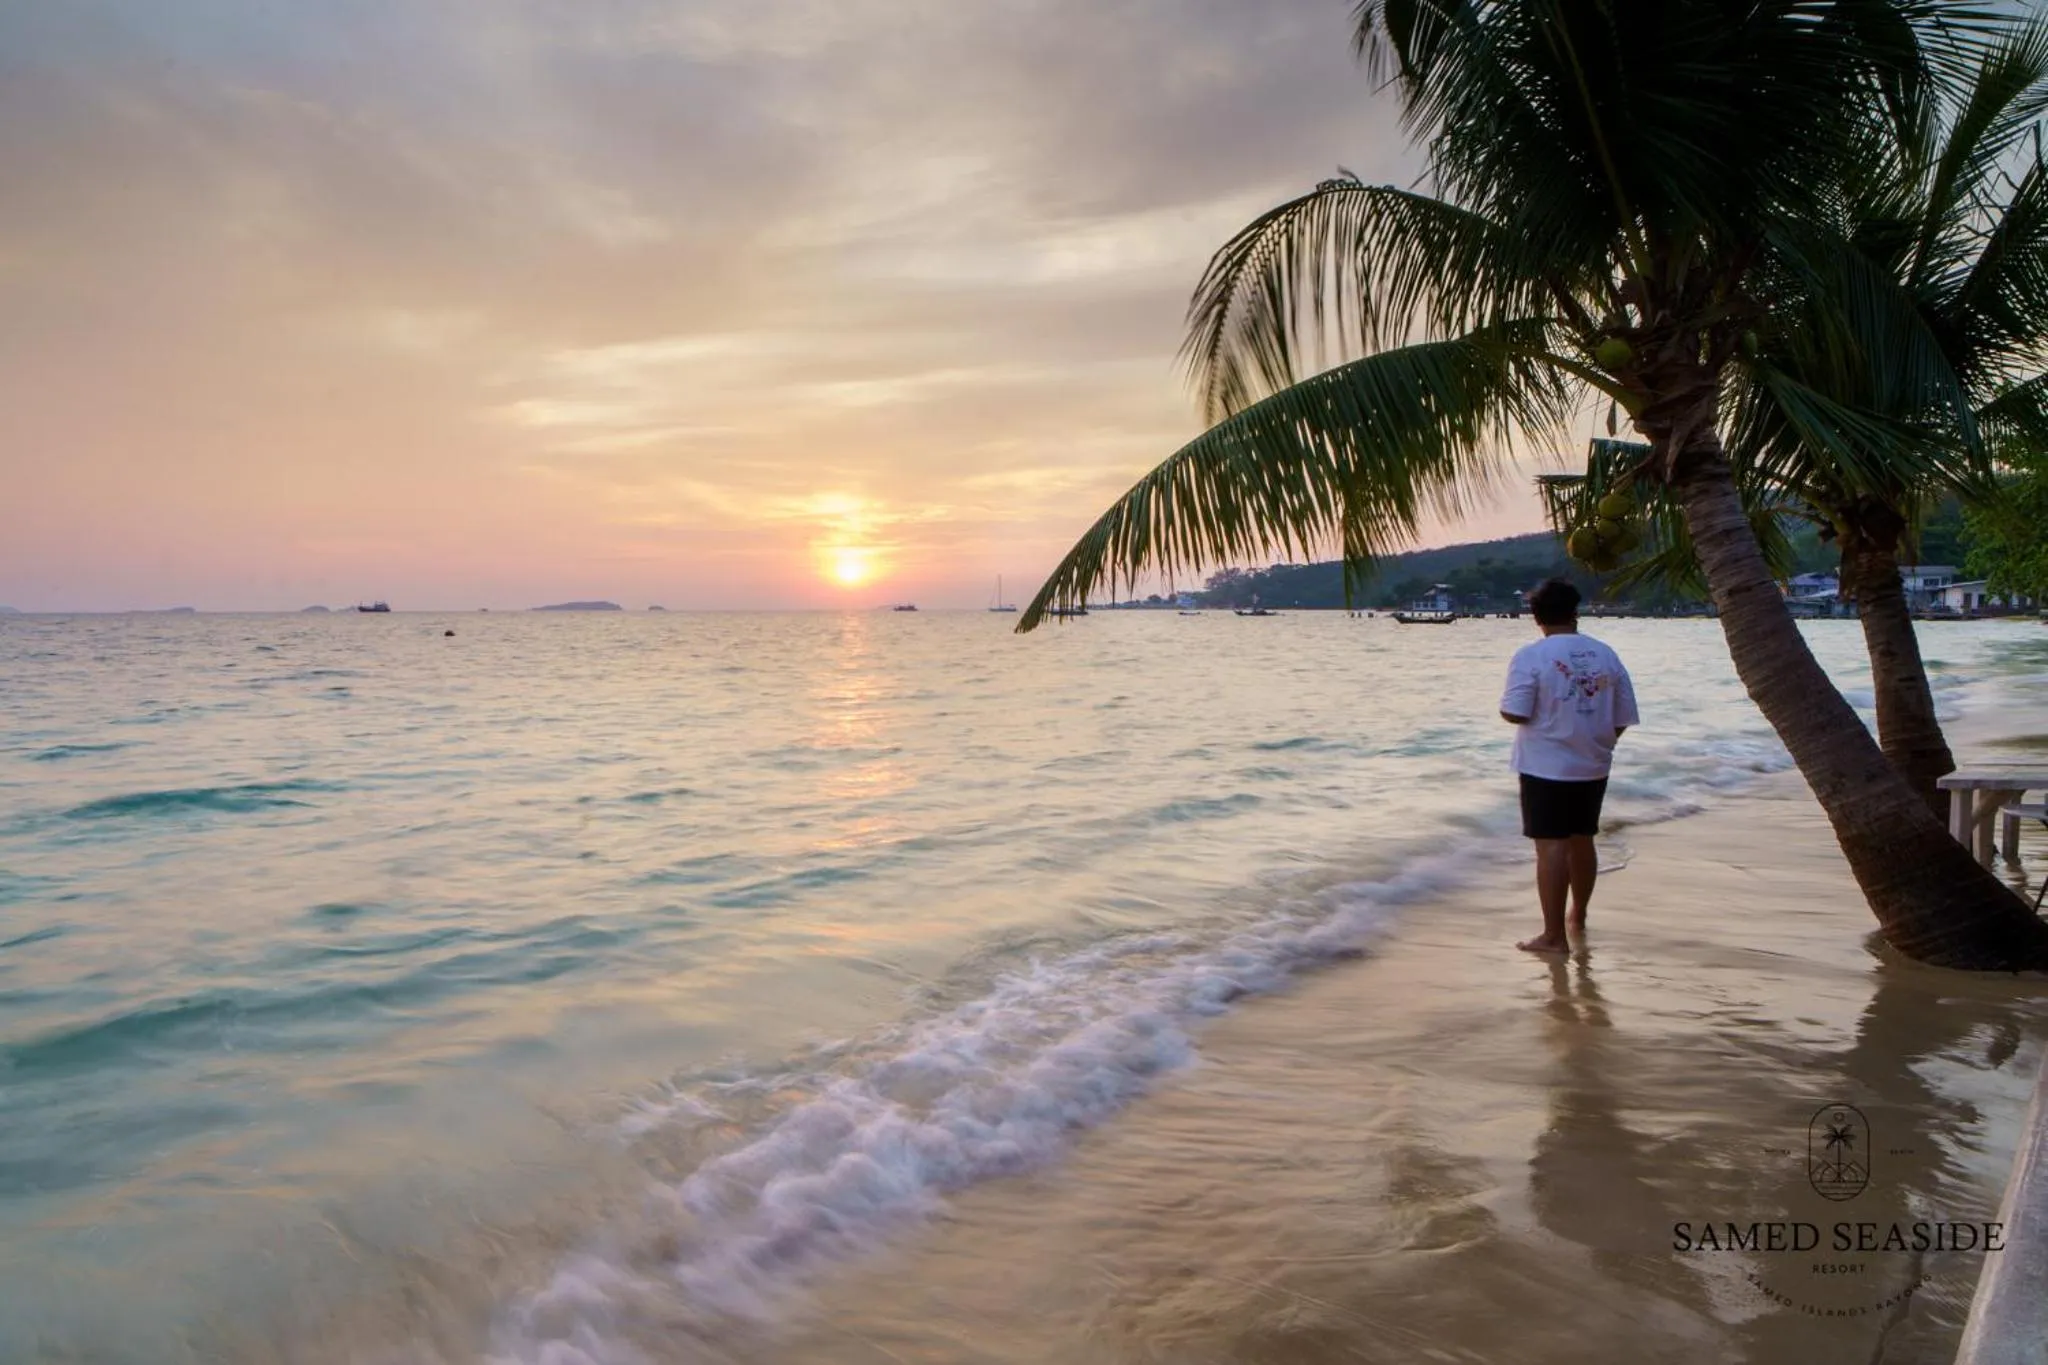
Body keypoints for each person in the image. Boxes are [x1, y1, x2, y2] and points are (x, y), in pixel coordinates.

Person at [1499, 579, 1638, 954]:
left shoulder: (1531, 656)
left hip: (1545, 765)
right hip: (1593, 763)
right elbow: (1623, 716)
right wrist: (1596, 740)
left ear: (1536, 617)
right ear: (1575, 612)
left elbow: (1515, 711)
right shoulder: (1605, 654)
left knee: (1550, 849)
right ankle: (1578, 916)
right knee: (1582, 840)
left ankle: (1553, 936)